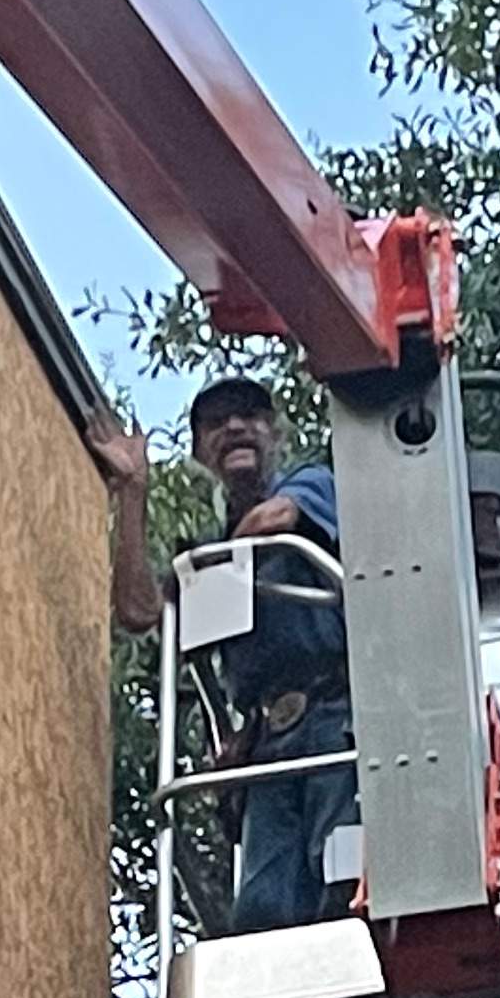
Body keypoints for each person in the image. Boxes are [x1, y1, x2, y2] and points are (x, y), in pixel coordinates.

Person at [96, 380, 356, 935]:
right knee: (262, 912)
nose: (235, 427)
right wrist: (134, 493)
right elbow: (139, 613)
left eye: (249, 417)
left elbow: (277, 520)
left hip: (337, 717)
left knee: (344, 882)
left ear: (276, 433)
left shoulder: (311, 483)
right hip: (268, 742)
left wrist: (214, 570)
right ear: (198, 453)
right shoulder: (211, 558)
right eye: (216, 423)